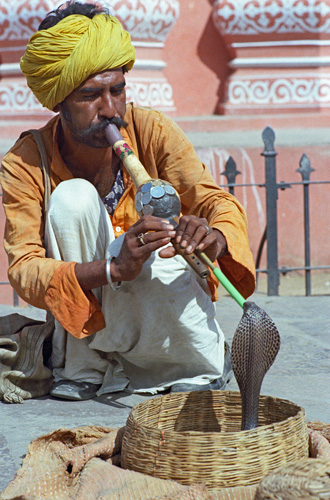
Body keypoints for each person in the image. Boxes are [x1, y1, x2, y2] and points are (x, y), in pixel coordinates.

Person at [0, 0, 256, 401]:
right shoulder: (25, 161)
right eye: (90, 96)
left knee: (163, 224)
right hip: (89, 330)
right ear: (59, 102)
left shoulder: (151, 129)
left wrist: (213, 236)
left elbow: (216, 203)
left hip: (162, 317)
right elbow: (26, 270)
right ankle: (87, 366)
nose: (109, 109)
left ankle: (187, 362)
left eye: (117, 90)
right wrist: (113, 267)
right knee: (72, 200)